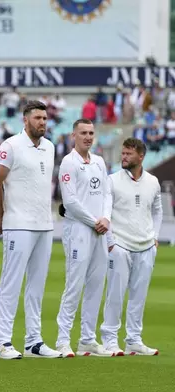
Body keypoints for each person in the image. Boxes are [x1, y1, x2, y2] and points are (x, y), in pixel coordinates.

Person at [0, 100, 62, 359]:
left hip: (44, 224)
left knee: (37, 285)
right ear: (25, 120)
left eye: (44, 118)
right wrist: (1, 216)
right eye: (37, 118)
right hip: (17, 224)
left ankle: (34, 341)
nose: (42, 122)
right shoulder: (10, 146)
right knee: (10, 283)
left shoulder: (50, 147)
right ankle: (2, 341)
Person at [55, 119, 114, 357]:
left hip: (100, 229)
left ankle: (88, 339)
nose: (88, 137)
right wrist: (96, 222)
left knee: (96, 284)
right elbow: (70, 202)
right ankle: (62, 339)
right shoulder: (69, 163)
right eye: (83, 133)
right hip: (79, 229)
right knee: (74, 284)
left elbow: (107, 193)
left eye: (91, 133)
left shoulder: (99, 161)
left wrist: (106, 219)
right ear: (74, 135)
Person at [100, 138, 162, 356]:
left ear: (141, 156)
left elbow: (157, 210)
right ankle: (109, 339)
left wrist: (155, 238)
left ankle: (134, 339)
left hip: (145, 245)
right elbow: (106, 211)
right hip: (121, 245)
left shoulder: (153, 181)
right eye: (123, 153)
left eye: (128, 154)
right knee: (115, 294)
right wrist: (110, 242)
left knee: (139, 296)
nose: (123, 157)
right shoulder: (112, 180)